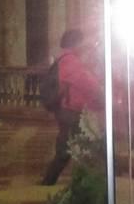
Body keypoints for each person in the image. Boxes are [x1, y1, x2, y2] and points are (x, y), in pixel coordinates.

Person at [42, 29, 100, 186]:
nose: (86, 44)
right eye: (84, 41)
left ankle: (53, 183)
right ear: (76, 43)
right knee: (75, 150)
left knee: (71, 151)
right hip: (70, 112)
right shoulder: (70, 61)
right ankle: (50, 185)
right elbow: (89, 85)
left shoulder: (67, 59)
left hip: (70, 111)